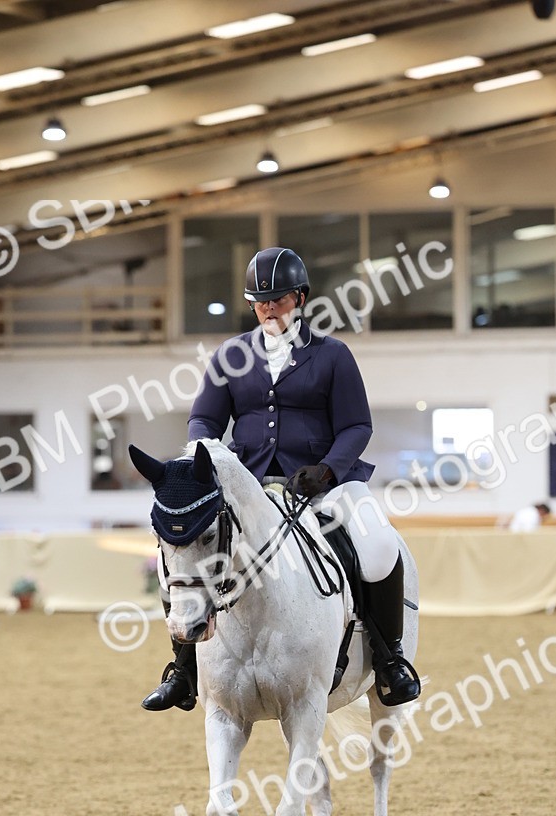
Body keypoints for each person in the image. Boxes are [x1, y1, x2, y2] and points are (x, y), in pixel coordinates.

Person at [141, 246, 421, 713]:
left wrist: (328, 469)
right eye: (260, 300)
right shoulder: (230, 356)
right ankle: (183, 669)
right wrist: (202, 462)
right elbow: (203, 422)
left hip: (326, 485)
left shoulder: (333, 355)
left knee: (377, 546)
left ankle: (390, 658)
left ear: (301, 298)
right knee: (186, 551)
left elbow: (358, 425)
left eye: (279, 298)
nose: (270, 308)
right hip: (248, 489)